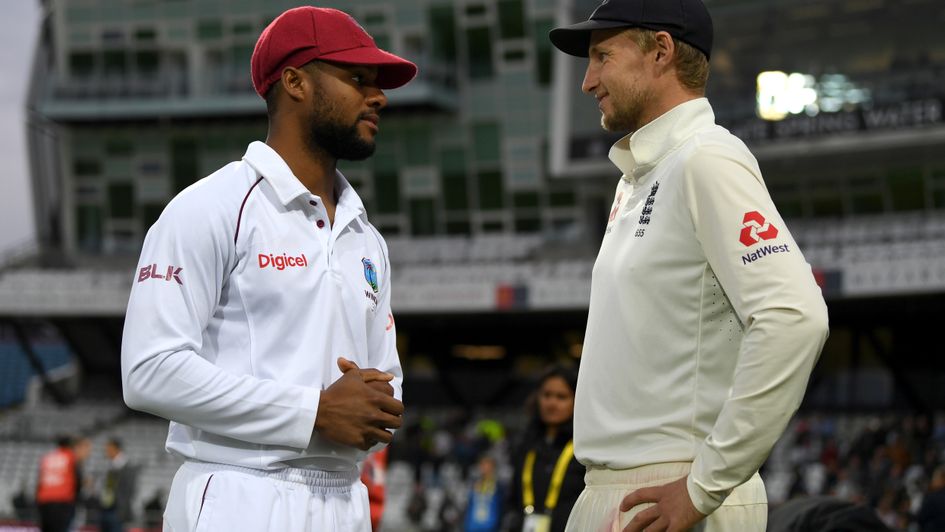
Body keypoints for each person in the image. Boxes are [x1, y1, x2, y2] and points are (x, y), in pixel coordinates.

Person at [120, 6, 415, 531]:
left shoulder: (367, 238)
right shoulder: (211, 207)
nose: (378, 97)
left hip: (345, 499)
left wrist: (372, 408)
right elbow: (149, 371)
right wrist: (314, 412)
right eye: (357, 78)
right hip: (239, 494)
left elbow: (386, 384)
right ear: (295, 82)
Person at [548, 0, 830, 530]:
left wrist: (704, 487)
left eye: (603, 56)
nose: (587, 81)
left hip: (670, 489)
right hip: (623, 487)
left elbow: (795, 317)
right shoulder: (642, 175)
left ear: (661, 51)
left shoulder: (706, 158)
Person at [504, 365, 584, 532]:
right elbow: (513, 499)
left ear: (577, 401)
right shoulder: (524, 445)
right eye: (547, 395)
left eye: (561, 397)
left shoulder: (584, 449)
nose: (552, 403)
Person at [35, 435, 85, 532]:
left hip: (44, 501)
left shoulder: (48, 457)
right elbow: (77, 480)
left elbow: (40, 481)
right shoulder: (71, 457)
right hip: (62, 501)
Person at [99, 438, 137, 532]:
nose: (107, 452)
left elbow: (129, 490)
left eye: (109, 449)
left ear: (116, 449)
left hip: (117, 511)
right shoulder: (110, 465)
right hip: (106, 508)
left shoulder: (127, 466)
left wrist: (122, 511)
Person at [918, 466, 945, 531]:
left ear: (943, 480)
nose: (933, 481)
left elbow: (921, 518)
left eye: (935, 478)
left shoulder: (933, 497)